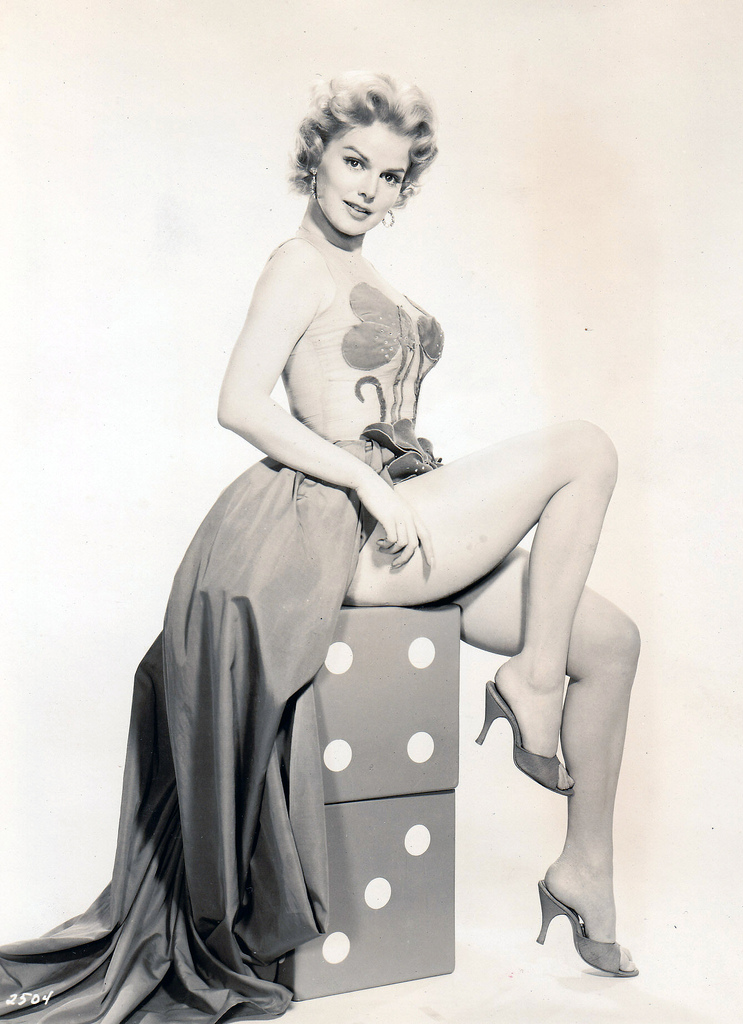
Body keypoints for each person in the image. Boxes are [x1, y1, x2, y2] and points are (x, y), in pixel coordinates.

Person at [0, 71, 639, 1023]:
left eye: (390, 175)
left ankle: (584, 868)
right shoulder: (298, 263)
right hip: (334, 525)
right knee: (583, 447)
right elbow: (239, 402)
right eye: (353, 162)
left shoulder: (366, 274)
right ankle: (531, 686)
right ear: (316, 158)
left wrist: (398, 486)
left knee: (613, 641)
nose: (368, 188)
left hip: (402, 512)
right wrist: (366, 483)